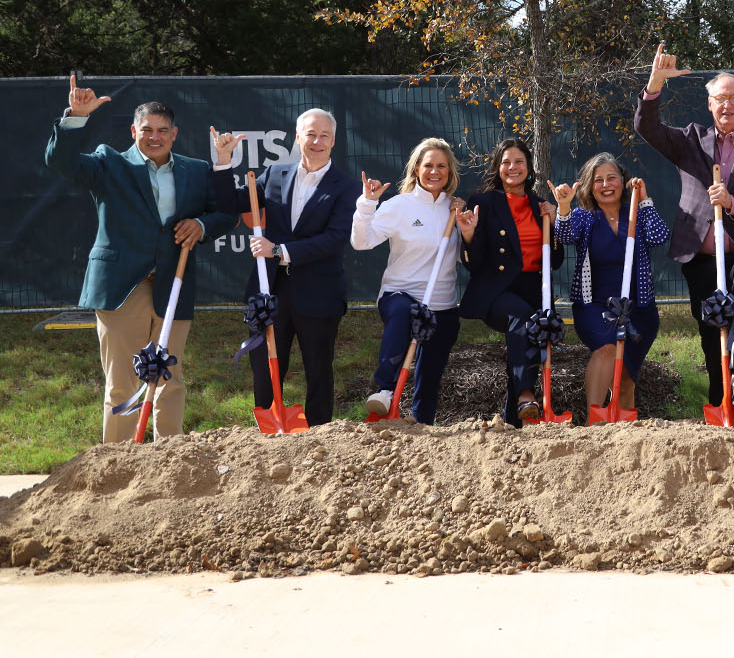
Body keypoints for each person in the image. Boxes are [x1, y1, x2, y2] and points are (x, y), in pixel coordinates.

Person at [45, 76, 235, 442]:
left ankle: (170, 464)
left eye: (163, 130)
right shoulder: (108, 164)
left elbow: (224, 213)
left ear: (175, 134)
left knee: (170, 379)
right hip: (121, 287)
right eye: (147, 129)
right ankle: (117, 465)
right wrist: (74, 118)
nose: (155, 136)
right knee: (123, 383)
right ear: (134, 131)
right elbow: (62, 162)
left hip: (173, 284)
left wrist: (200, 224)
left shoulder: (196, 171)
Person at [633, 44, 734, 409]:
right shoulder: (689, 141)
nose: (727, 105)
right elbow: (646, 126)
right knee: (710, 331)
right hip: (700, 257)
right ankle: (723, 404)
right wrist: (654, 84)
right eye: (720, 98)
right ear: (710, 104)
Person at [210, 111, 358, 426]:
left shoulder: (345, 187)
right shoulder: (275, 174)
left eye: (324, 136)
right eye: (310, 134)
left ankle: (320, 434)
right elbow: (229, 204)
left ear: (333, 141)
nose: (317, 141)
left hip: (319, 293)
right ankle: (268, 427)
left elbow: (335, 238)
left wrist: (279, 251)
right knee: (264, 366)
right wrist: (223, 161)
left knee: (319, 368)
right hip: (270, 290)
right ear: (297, 136)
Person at [354, 138, 467, 425]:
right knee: (405, 312)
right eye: (428, 165)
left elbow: (468, 258)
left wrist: (466, 226)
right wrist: (367, 204)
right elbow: (361, 241)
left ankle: (422, 427)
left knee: (429, 375)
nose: (435, 171)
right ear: (416, 169)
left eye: (442, 166)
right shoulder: (400, 205)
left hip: (442, 304)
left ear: (450, 171)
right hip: (400, 295)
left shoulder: (455, 210)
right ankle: (385, 390)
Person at [458, 139, 563, 427]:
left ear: (529, 169)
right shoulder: (482, 202)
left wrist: (553, 225)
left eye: (519, 162)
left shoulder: (538, 205)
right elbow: (473, 263)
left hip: (533, 289)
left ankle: (513, 423)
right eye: (506, 162)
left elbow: (554, 260)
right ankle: (527, 394)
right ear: (497, 167)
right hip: (496, 290)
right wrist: (468, 236)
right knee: (526, 321)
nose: (512, 167)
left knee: (525, 338)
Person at [553, 156, 669, 412]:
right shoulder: (586, 217)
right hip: (595, 306)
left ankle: (625, 437)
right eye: (598, 180)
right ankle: (594, 421)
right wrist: (563, 208)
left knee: (627, 379)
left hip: (638, 310)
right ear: (589, 186)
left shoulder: (636, 214)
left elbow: (659, 236)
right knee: (606, 348)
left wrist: (645, 200)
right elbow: (564, 235)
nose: (606, 184)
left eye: (612, 177)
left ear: (622, 181)